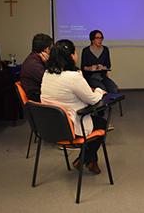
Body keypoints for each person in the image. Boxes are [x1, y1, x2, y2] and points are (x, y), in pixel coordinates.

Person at [41, 39, 107, 174]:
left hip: (50, 127)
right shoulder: (73, 77)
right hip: (69, 127)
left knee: (94, 120)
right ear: (71, 56)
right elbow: (92, 99)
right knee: (102, 124)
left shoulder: (47, 74)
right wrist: (99, 90)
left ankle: (91, 162)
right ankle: (83, 159)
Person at [20, 33, 53, 102]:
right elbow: (50, 81)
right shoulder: (34, 64)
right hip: (37, 98)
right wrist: (49, 63)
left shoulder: (34, 59)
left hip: (39, 94)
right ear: (46, 50)